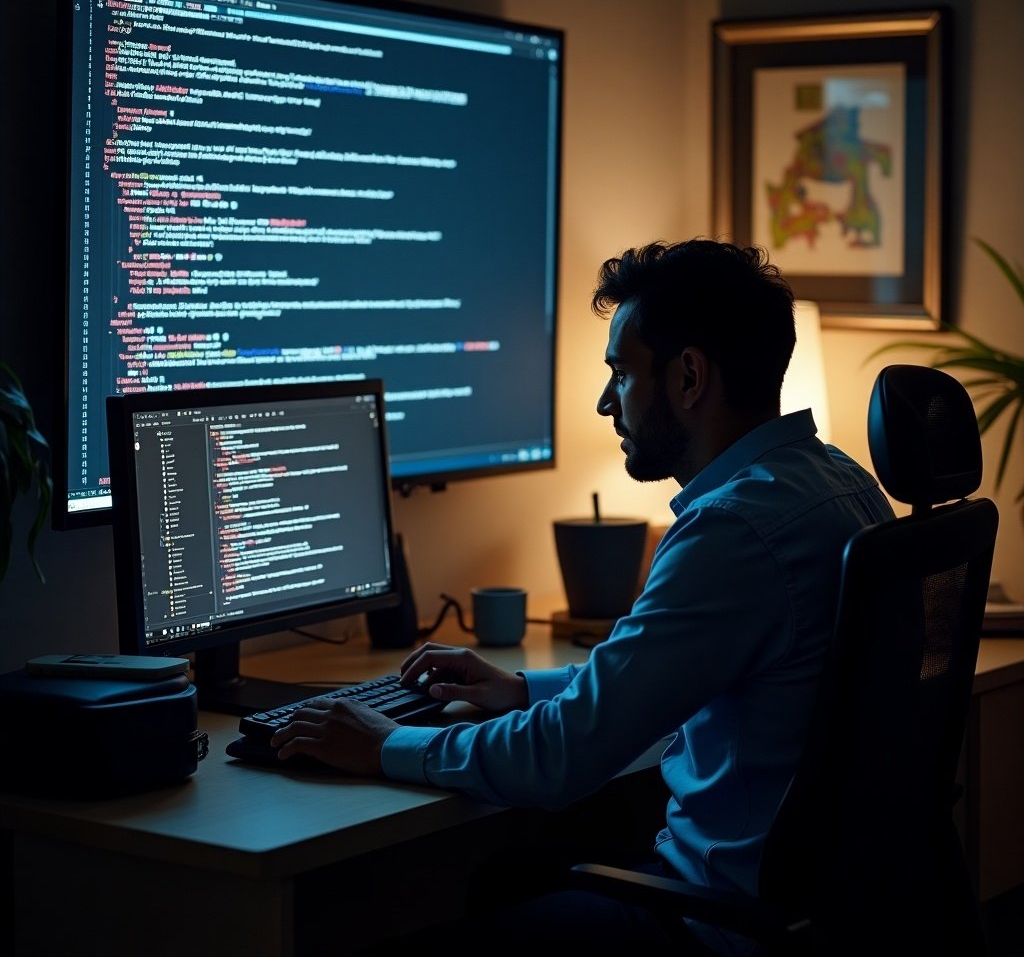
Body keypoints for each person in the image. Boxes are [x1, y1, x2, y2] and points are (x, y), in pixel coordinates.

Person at [272, 238, 895, 954]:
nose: (607, 401)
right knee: (507, 879)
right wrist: (522, 687)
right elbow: (668, 677)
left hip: (722, 923)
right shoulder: (837, 482)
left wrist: (387, 743)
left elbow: (562, 759)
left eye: (621, 374)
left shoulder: (733, 531)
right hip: (820, 907)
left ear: (689, 376)